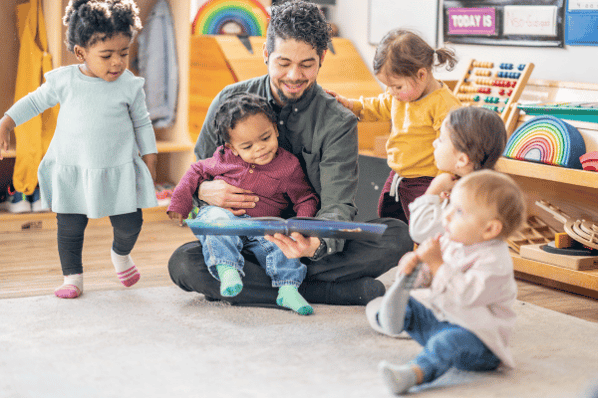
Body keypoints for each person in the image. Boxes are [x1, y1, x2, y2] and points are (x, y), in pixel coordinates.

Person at [167, 0, 412, 306]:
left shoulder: (339, 120)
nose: (294, 75)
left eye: (306, 64)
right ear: (266, 54)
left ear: (322, 58)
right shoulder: (228, 101)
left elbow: (338, 206)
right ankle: (324, 291)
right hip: (244, 241)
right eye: (283, 63)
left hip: (308, 243)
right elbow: (197, 173)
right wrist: (204, 191)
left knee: (396, 236)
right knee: (183, 264)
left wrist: (314, 244)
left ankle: (279, 284)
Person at [0, 0, 157, 298]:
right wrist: (6, 123)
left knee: (131, 223)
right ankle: (72, 278)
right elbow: (34, 102)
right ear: (81, 52)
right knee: (70, 229)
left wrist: (149, 162)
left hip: (118, 168)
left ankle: (120, 255)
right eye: (107, 55)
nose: (117, 62)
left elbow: (143, 124)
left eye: (124, 53)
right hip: (72, 168)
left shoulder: (129, 85)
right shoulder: (64, 80)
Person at [367, 170, 526, 395]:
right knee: (411, 304)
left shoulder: (496, 263)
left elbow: (465, 294)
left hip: (480, 342)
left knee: (447, 343)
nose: (447, 216)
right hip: (445, 320)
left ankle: (414, 373)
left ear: (490, 229)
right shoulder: (456, 241)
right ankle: (393, 316)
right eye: (449, 205)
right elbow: (430, 276)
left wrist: (437, 264)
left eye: (459, 211)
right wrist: (415, 267)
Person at [167, 94, 318, 315]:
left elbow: (305, 198)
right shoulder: (224, 158)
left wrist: (300, 227)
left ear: (275, 129)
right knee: (216, 221)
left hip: (262, 228)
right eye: (247, 146)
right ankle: (227, 269)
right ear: (233, 148)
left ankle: (288, 289)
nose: (260, 149)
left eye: (265, 138)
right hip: (225, 220)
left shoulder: (288, 166)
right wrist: (179, 203)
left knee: (284, 246)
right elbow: (196, 170)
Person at [328, 29, 461, 224]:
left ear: (422, 74)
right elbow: (376, 106)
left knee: (424, 230)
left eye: (397, 87)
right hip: (398, 177)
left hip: (426, 182)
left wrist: (442, 186)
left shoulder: (444, 106)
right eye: (387, 86)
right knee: (389, 221)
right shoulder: (398, 97)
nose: (391, 92)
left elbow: (453, 149)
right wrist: (350, 105)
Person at [409, 106, 508, 244]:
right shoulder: (481, 187)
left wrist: (434, 189)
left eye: (441, 139)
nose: (434, 143)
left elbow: (420, 232)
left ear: (462, 160)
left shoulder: (470, 198)